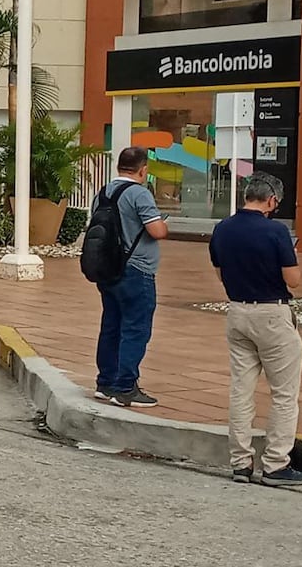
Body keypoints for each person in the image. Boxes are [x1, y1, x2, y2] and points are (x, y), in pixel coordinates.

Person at [209, 172, 302, 487]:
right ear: (272, 200)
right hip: (272, 314)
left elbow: (221, 273)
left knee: (241, 389)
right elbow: (293, 280)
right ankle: (276, 464)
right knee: (283, 393)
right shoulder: (276, 232)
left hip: (237, 312)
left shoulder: (222, 228)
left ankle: (240, 462)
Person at [94, 146, 168, 408]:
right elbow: (157, 231)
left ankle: (105, 382)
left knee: (111, 325)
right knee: (135, 328)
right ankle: (125, 387)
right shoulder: (140, 193)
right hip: (137, 270)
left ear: (119, 167)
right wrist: (163, 223)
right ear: (143, 169)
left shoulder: (103, 192)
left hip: (108, 268)